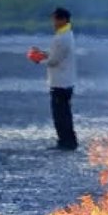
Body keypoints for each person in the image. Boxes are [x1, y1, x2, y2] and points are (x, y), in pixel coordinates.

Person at [32, 8, 78, 151]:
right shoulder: (67, 34)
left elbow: (54, 61)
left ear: (63, 20)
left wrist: (38, 58)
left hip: (60, 82)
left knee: (60, 116)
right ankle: (69, 141)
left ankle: (65, 142)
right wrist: (43, 53)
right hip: (66, 81)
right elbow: (55, 55)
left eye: (55, 19)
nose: (53, 23)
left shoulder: (62, 37)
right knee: (65, 114)